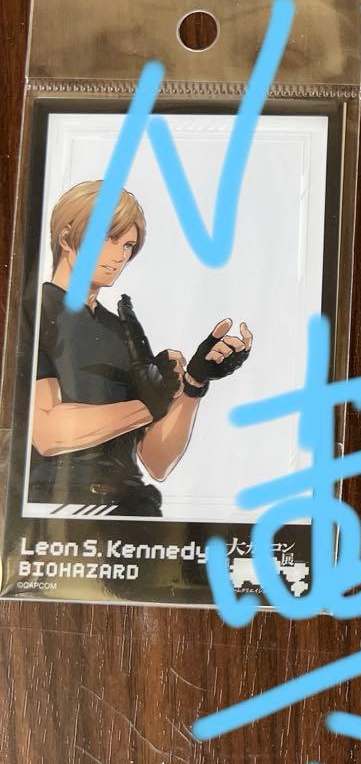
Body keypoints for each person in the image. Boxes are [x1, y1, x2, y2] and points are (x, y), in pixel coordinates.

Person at [28, 180, 254, 517]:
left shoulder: (121, 329)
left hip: (132, 508)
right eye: (108, 238)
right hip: (62, 508)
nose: (119, 256)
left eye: (128, 245)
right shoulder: (35, 312)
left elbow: (156, 461)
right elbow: (46, 433)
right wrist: (149, 404)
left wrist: (193, 384)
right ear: (66, 238)